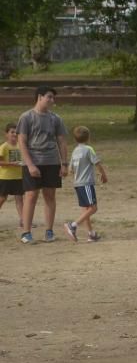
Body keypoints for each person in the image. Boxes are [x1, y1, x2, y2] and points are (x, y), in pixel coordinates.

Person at [16, 86, 69, 244]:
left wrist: (64, 163)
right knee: (31, 196)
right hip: (32, 162)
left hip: (51, 162)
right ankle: (26, 233)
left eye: (53, 98)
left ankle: (49, 231)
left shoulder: (56, 118)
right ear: (40, 97)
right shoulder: (26, 117)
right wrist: (30, 165)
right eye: (50, 97)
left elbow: (61, 141)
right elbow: (22, 142)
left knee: (50, 196)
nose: (52, 100)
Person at [64, 126, 108, 243]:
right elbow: (97, 163)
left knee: (86, 210)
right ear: (88, 137)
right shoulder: (89, 149)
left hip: (77, 184)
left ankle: (91, 234)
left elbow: (70, 170)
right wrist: (103, 174)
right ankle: (72, 225)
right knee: (93, 207)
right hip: (86, 183)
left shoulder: (75, 151)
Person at [0, 123, 25, 228]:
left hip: (19, 177)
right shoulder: (4, 147)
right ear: (6, 134)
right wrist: (12, 164)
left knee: (19, 199)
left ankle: (23, 220)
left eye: (16, 132)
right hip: (5, 177)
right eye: (12, 132)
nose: (14, 134)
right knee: (2, 198)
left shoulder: (21, 145)